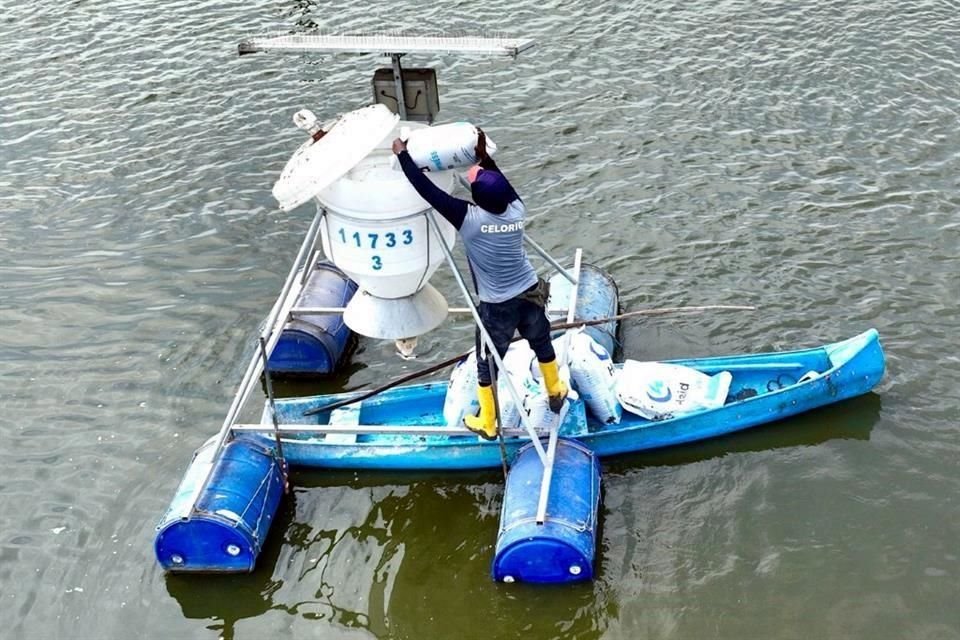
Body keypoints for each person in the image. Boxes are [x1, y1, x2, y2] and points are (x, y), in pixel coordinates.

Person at [392, 130, 567, 440]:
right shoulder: (516, 209)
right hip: (530, 291)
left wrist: (402, 155)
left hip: (498, 306)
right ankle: (555, 389)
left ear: (477, 199)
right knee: (541, 341)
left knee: (487, 362)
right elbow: (499, 178)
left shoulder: (469, 220)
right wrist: (482, 150)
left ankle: (488, 422)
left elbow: (426, 191)